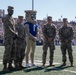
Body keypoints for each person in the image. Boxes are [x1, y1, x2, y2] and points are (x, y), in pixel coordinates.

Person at [2, 6, 18, 71]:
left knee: (13, 51)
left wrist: (16, 33)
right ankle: (5, 66)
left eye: (12, 10)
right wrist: (15, 33)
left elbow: (14, 27)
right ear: (8, 10)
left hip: (13, 37)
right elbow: (8, 28)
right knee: (7, 51)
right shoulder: (6, 18)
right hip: (8, 37)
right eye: (10, 10)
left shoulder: (12, 18)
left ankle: (10, 65)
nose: (12, 11)